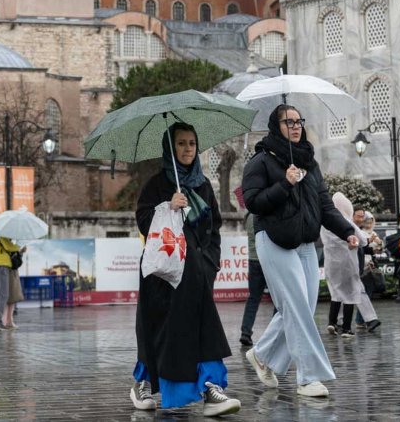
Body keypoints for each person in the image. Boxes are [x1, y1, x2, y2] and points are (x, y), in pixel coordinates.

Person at [242, 105, 358, 400]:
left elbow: (324, 205)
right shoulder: (261, 161)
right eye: (288, 122)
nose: (295, 126)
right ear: (275, 126)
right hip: (275, 241)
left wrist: (347, 232)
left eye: (298, 121)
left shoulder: (309, 162)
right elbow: (253, 203)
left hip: (307, 244)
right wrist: (285, 183)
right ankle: (309, 377)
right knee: (296, 306)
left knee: (301, 307)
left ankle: (263, 355)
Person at [131, 122, 240, 417]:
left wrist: (210, 263)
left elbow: (213, 225)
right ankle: (143, 382)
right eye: (181, 143)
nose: (188, 149)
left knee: (204, 329)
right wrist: (168, 206)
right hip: (163, 276)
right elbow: (143, 220)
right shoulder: (156, 184)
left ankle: (209, 389)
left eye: (192, 143)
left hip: (197, 274)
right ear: (170, 147)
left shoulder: (203, 184)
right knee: (162, 332)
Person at [324, 193, 380, 337]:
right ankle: (347, 329)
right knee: (350, 293)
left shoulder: (325, 223)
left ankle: (332, 323)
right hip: (348, 262)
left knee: (335, 293)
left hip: (330, 262)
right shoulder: (346, 221)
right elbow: (362, 240)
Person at [239, 211, 267, 347]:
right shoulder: (264, 213)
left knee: (253, 298)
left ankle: (246, 331)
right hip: (267, 259)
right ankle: (274, 333)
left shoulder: (249, 216)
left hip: (253, 260)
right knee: (277, 298)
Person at [4, 254, 25, 329]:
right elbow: (16, 263)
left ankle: (9, 320)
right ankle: (7, 321)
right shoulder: (9, 248)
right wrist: (20, 253)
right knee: (10, 298)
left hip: (12, 272)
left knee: (11, 299)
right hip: (10, 271)